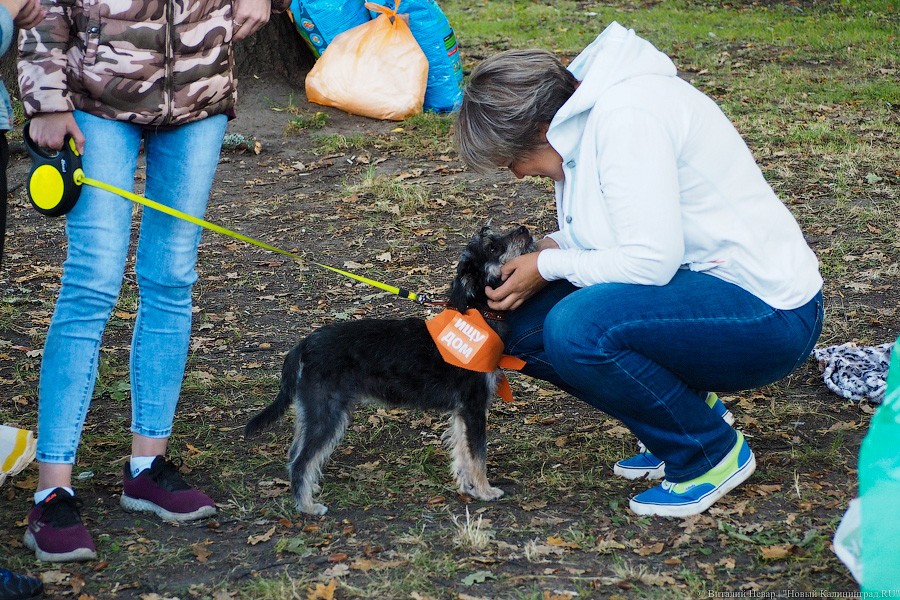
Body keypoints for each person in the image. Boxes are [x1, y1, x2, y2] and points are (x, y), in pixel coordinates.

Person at [454, 22, 823, 518]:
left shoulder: (628, 116)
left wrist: (549, 263)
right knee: (520, 325)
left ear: (539, 130)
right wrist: (548, 249)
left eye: (512, 160)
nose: (517, 174)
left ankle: (707, 453)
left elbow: (650, 259)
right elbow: (618, 228)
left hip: (767, 313)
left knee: (576, 327)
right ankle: (688, 414)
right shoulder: (585, 126)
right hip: (700, 289)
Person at [17, 0, 289, 562]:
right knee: (92, 282)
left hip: (199, 92)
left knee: (171, 277)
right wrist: (45, 98)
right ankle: (52, 490)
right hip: (96, 97)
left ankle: (147, 466)